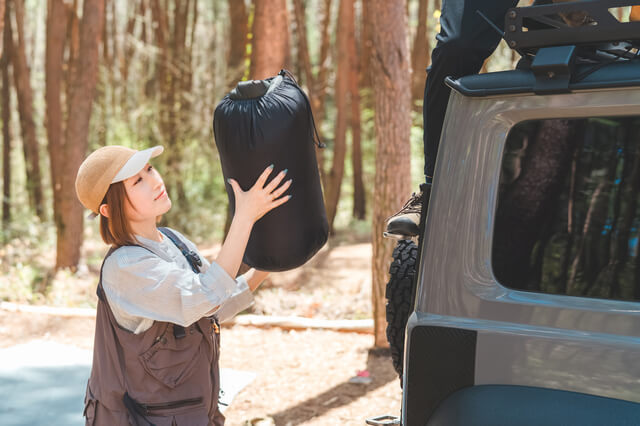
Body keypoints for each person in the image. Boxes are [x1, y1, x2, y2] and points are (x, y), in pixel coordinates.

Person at [75, 145, 292, 425]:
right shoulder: (125, 266)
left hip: (195, 411)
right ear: (107, 209)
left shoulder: (173, 240)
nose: (155, 181)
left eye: (150, 169)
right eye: (137, 181)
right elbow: (206, 295)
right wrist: (244, 216)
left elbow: (212, 306)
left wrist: (266, 267)